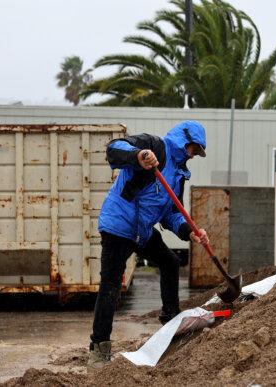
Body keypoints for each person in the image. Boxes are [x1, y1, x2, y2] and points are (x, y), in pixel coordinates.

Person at [88, 120, 210, 366]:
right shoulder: (154, 146)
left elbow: (172, 213)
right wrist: (138, 156)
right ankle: (99, 350)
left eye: (197, 152)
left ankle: (170, 321)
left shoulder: (178, 174)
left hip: (141, 231)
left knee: (170, 262)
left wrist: (189, 231)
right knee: (111, 283)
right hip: (119, 226)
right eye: (193, 149)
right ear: (183, 140)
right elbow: (114, 148)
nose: (194, 155)